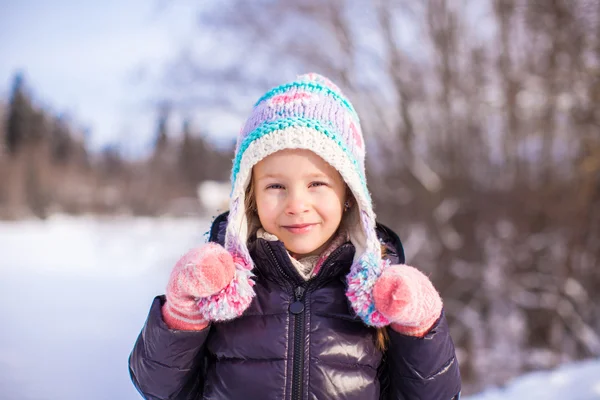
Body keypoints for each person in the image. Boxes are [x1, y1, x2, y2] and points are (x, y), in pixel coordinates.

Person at [128, 73, 461, 400]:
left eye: (316, 184)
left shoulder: (376, 292)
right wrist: (183, 312)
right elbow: (160, 389)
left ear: (349, 193)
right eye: (276, 186)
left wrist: (420, 326)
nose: (296, 205)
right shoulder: (223, 286)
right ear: (249, 195)